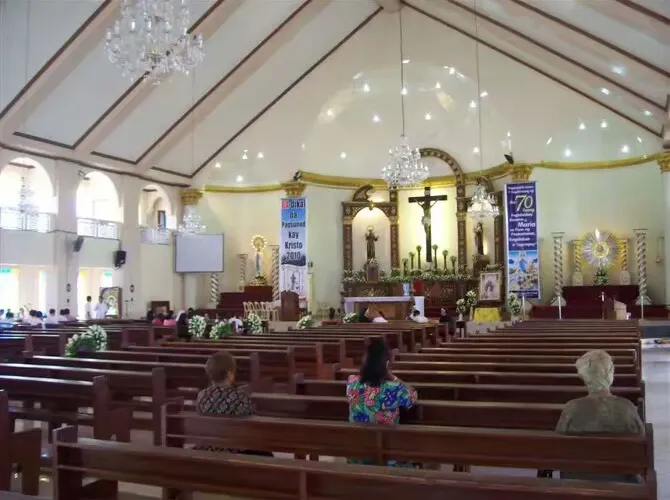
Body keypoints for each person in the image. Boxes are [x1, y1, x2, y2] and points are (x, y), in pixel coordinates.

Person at [552, 350, 644, 482]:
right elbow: (640, 449)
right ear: (610, 374)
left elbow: (558, 447)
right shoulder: (626, 407)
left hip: (576, 480)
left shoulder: (571, 408)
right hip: (622, 482)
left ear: (584, 376)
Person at [346, 339, 417, 466]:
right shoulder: (394, 388)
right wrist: (392, 376)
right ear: (387, 364)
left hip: (357, 457)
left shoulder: (352, 383)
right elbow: (412, 395)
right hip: (387, 459)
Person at [195, 351, 271, 455]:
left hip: (207, 447)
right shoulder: (241, 397)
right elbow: (251, 426)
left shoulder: (202, 395)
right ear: (229, 374)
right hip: (234, 450)